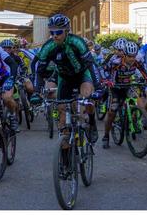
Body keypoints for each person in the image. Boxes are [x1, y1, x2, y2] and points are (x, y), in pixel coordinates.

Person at [31, 14, 100, 143]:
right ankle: (64, 155)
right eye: (52, 32)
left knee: (86, 99)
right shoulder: (48, 47)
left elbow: (91, 65)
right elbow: (39, 71)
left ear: (67, 31)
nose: (54, 35)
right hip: (64, 77)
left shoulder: (77, 42)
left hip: (82, 75)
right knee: (62, 111)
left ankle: (92, 122)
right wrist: (36, 91)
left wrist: (98, 87)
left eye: (58, 32)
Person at [101, 40, 147, 149]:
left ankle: (134, 119)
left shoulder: (137, 61)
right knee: (112, 111)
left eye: (134, 56)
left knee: (140, 102)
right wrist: (107, 81)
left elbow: (144, 72)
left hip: (128, 85)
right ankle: (106, 136)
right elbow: (105, 71)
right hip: (116, 87)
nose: (132, 59)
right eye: (129, 56)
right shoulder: (116, 63)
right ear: (124, 55)